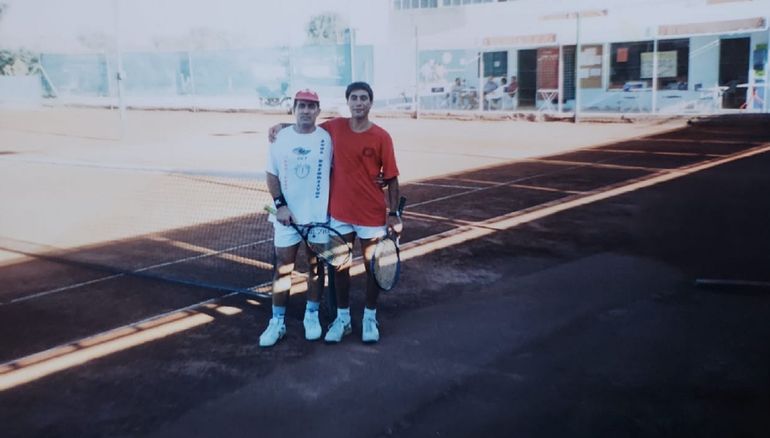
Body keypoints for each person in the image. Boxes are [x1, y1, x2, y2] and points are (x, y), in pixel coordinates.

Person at [269, 82, 402, 344]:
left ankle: (369, 317)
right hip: (340, 214)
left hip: (371, 214)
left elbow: (392, 178)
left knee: (373, 268)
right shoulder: (334, 128)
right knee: (339, 268)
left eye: (363, 98)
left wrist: (394, 213)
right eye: (354, 98)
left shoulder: (382, 137)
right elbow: (306, 127)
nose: (359, 103)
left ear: (370, 103)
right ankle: (343, 319)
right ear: (348, 102)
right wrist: (281, 126)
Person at [259, 89, 332, 348]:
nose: (306, 110)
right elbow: (271, 174)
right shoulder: (280, 138)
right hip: (286, 217)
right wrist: (280, 206)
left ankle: (311, 315)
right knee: (283, 266)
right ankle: (277, 321)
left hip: (318, 218)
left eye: (311, 106)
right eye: (301, 106)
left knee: (316, 266)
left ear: (318, 111)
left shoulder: (328, 138)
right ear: (294, 108)